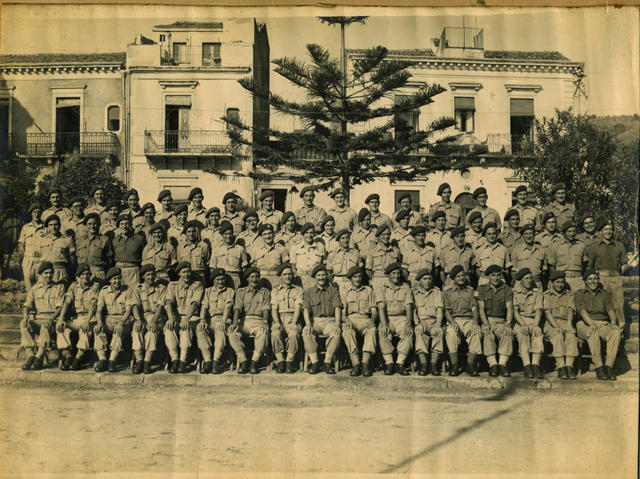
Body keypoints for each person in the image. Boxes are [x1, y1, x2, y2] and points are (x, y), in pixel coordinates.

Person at [574, 269, 624, 380]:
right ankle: (599, 367)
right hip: (584, 324)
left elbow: (610, 310)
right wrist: (591, 323)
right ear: (585, 281)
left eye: (595, 279)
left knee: (615, 333)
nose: (593, 282)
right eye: (590, 279)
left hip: (602, 324)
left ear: (598, 280)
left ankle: (609, 367)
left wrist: (613, 323)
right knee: (593, 332)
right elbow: (582, 311)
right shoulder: (580, 294)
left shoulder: (604, 295)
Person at [94, 267, 142, 373]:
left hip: (124, 320)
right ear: (110, 280)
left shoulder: (128, 290)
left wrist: (121, 323)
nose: (117, 281)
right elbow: (99, 309)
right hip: (110, 319)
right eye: (114, 279)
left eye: (119, 278)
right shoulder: (104, 291)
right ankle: (102, 359)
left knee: (118, 330)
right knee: (97, 329)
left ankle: (112, 360)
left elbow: (129, 310)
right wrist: (99, 322)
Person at [20, 262, 66, 371]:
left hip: (53, 320)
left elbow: (60, 308)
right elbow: (27, 306)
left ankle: (39, 356)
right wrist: (26, 316)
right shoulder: (35, 289)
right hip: (39, 319)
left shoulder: (59, 287)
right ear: (41, 275)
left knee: (45, 326)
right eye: (46, 273)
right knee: (23, 324)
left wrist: (51, 318)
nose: (49, 275)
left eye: (51, 273)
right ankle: (30, 355)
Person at [55, 263, 101, 370]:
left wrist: (87, 321)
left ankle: (78, 358)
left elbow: (94, 305)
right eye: (83, 275)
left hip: (91, 318)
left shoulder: (95, 286)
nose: (86, 277)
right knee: (62, 328)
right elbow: (66, 302)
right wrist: (61, 319)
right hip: (78, 318)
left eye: (87, 274)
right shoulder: (73, 287)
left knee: (85, 329)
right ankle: (68, 356)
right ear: (78, 277)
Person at [164, 261, 207, 374]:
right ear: (179, 274)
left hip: (191, 317)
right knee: (169, 329)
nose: (186, 274)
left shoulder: (197, 285)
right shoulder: (172, 286)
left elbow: (194, 304)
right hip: (176, 317)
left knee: (185, 329)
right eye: (183, 272)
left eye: (188, 272)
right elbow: (168, 303)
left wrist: (186, 319)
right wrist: (171, 318)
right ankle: (175, 359)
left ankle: (183, 361)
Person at [302, 264, 343, 375]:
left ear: (327, 276)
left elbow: (337, 307)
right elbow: (305, 309)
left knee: (336, 333)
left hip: (329, 321)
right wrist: (308, 324)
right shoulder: (308, 292)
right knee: (306, 333)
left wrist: (337, 324)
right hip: (314, 321)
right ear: (315, 277)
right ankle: (315, 362)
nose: (321, 278)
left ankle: (327, 362)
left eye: (324, 275)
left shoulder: (333, 290)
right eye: (319, 275)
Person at [585, 220, 629, 323]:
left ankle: (620, 330)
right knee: (602, 305)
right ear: (600, 231)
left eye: (610, 229)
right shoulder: (594, 247)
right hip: (601, 279)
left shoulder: (619, 245)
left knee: (618, 305)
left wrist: (618, 276)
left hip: (616, 279)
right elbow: (590, 266)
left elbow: (624, 263)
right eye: (605, 229)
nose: (608, 232)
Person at [229, 267, 271, 374]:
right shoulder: (241, 292)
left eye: (257, 277)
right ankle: (243, 361)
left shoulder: (265, 292)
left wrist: (265, 323)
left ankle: (254, 361)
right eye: (252, 277)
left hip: (259, 320)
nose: (254, 279)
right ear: (247, 279)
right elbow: (237, 308)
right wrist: (235, 323)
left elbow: (266, 309)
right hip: (245, 321)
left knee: (263, 333)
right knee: (232, 333)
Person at [443, 265, 482, 377]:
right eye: (458, 276)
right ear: (453, 278)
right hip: (454, 320)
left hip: (468, 320)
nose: (461, 278)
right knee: (451, 333)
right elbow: (446, 311)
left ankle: (470, 365)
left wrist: (475, 322)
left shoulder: (470, 291)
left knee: (476, 332)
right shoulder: (447, 292)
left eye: (463, 275)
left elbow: (474, 308)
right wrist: (452, 323)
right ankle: (454, 365)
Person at [376, 263, 414, 376]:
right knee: (383, 333)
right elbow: (381, 307)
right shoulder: (382, 288)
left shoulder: (406, 288)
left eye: (398, 273)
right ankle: (389, 363)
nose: (396, 276)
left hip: (402, 318)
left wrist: (408, 323)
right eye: (393, 273)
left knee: (408, 333)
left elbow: (408, 307)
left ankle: (400, 363)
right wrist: (384, 324)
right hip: (388, 318)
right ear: (388, 275)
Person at [476, 264, 514, 377]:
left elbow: (510, 308)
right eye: (493, 276)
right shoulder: (482, 289)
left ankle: (502, 364)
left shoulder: (507, 289)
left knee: (507, 334)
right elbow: (481, 309)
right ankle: (492, 364)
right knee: (488, 335)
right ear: (488, 277)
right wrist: (486, 323)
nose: (496, 278)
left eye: (498, 275)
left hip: (502, 321)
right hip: (488, 320)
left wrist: (508, 324)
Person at [341, 266, 377, 377]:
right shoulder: (345, 291)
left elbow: (374, 310)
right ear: (350, 279)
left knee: (372, 330)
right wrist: (346, 321)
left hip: (365, 318)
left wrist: (372, 320)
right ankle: (356, 364)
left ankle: (365, 363)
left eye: (359, 276)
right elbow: (342, 312)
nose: (357, 279)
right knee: (347, 331)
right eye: (355, 277)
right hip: (350, 319)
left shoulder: (368, 290)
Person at [543, 270, 579, 379]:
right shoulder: (546, 295)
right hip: (551, 324)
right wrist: (556, 326)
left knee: (571, 336)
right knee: (558, 336)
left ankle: (569, 366)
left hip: (565, 321)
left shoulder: (569, 295)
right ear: (552, 283)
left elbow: (570, 310)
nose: (560, 285)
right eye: (557, 282)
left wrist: (569, 323)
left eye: (562, 282)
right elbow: (547, 312)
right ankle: (561, 367)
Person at [270, 263, 304, 374]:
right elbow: (274, 309)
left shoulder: (299, 290)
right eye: (285, 274)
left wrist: (294, 322)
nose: (287, 277)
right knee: (275, 333)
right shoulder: (275, 291)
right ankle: (281, 361)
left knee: (293, 334)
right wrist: (276, 322)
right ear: (280, 276)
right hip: (279, 318)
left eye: (290, 274)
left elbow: (298, 307)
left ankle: (290, 361)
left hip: (293, 317)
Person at [199, 268, 234, 374]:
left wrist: (223, 321)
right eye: (218, 279)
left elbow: (228, 307)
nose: (220, 282)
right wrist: (202, 320)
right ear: (213, 280)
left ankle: (216, 362)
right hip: (210, 319)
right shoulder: (208, 291)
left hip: (224, 319)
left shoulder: (230, 291)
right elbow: (204, 307)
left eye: (222, 279)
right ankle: (208, 360)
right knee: (200, 330)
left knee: (220, 330)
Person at [512, 267, 545, 379]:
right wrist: (523, 325)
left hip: (534, 320)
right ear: (520, 280)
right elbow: (515, 312)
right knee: (523, 334)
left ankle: (536, 364)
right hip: (520, 321)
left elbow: (539, 310)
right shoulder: (515, 292)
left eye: (531, 278)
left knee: (537, 333)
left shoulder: (537, 292)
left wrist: (536, 325)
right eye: (526, 278)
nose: (529, 281)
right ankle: (527, 365)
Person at [412, 269, 445, 376]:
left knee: (438, 332)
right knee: (419, 332)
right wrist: (417, 323)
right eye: (424, 279)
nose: (427, 281)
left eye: (429, 279)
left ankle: (433, 364)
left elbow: (439, 310)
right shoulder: (414, 293)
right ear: (419, 281)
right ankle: (424, 364)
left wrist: (438, 325)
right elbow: (413, 311)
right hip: (421, 321)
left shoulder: (437, 292)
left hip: (434, 320)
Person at [135, 264, 166, 374]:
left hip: (157, 318)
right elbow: (134, 306)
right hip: (142, 317)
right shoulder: (137, 289)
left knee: (152, 332)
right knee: (136, 330)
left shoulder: (161, 289)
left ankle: (147, 362)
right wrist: (138, 320)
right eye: (148, 275)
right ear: (143, 276)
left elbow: (160, 307)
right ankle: (139, 361)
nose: (151, 277)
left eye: (153, 274)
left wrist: (153, 321)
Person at [547, 221, 588, 292]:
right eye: (569, 231)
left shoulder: (581, 246)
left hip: (578, 279)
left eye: (573, 231)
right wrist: (555, 280)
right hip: (562, 280)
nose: (572, 234)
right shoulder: (556, 245)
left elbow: (585, 264)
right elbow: (552, 266)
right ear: (564, 233)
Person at [38, 214, 76, 286]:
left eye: (56, 224)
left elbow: (72, 261)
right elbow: (39, 258)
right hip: (46, 273)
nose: (53, 227)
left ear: (60, 225)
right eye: (51, 225)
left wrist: (69, 274)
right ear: (48, 227)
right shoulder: (43, 240)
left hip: (61, 272)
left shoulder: (67, 239)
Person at [210, 221, 249, 289]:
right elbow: (212, 267)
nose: (228, 236)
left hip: (235, 278)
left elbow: (244, 267)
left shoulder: (240, 249)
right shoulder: (216, 249)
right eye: (226, 234)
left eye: (230, 233)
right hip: (221, 279)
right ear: (222, 235)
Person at [111, 213, 146, 288]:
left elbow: (143, 256)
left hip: (133, 270)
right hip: (118, 271)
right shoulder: (115, 241)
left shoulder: (139, 239)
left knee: (134, 293)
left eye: (127, 224)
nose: (124, 226)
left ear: (130, 225)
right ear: (119, 226)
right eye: (122, 224)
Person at [75, 213, 113, 280]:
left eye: (95, 223)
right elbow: (77, 258)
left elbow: (109, 260)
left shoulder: (104, 239)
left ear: (99, 224)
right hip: (83, 274)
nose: (92, 226)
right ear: (86, 225)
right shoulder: (80, 241)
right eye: (89, 224)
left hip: (99, 273)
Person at [326, 229, 362, 300]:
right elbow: (329, 272)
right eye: (343, 238)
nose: (345, 240)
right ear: (338, 240)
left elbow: (360, 269)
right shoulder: (332, 254)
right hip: (338, 282)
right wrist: (333, 283)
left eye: (347, 238)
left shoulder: (355, 253)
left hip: (352, 282)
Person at [366, 224, 401, 293]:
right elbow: (368, 270)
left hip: (392, 281)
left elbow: (399, 265)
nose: (386, 237)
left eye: (388, 234)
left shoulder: (396, 251)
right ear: (378, 236)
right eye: (383, 234)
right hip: (377, 281)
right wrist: (375, 279)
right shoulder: (372, 251)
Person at [290, 223, 326, 290]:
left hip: (315, 278)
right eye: (306, 233)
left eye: (311, 233)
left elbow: (323, 264)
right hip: (301, 279)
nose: (309, 235)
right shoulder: (295, 248)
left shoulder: (320, 247)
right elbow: (293, 267)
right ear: (302, 234)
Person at [18, 203, 45, 292]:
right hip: (28, 259)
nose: (36, 214)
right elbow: (21, 243)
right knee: (28, 284)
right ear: (31, 214)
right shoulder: (26, 227)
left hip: (41, 259)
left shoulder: (46, 228)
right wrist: (23, 253)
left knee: (41, 284)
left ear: (41, 213)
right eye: (34, 212)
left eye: (38, 212)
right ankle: (30, 304)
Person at [253, 224, 289, 289]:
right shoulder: (256, 250)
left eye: (270, 233)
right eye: (264, 234)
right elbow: (254, 267)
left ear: (273, 234)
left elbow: (286, 267)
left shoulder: (281, 249)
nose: (267, 236)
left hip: (276, 279)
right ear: (261, 236)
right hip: (261, 279)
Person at [474, 222, 511, 286]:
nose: (491, 236)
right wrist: (482, 278)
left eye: (493, 233)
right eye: (489, 234)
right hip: (485, 280)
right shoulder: (479, 250)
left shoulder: (503, 249)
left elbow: (507, 268)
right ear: (485, 234)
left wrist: (503, 277)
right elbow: (477, 269)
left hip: (500, 280)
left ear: (497, 234)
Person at [177, 220, 210, 286]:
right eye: (188, 232)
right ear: (185, 233)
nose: (191, 234)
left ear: (197, 232)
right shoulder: (180, 247)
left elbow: (207, 262)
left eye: (193, 231)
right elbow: (179, 262)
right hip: (186, 278)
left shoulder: (203, 246)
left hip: (199, 277)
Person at [511, 223, 545, 288]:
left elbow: (544, 272)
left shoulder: (541, 250)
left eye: (531, 233)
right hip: (521, 284)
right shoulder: (516, 250)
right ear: (522, 235)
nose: (528, 236)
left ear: (534, 234)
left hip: (537, 283)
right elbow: (513, 271)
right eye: (526, 234)